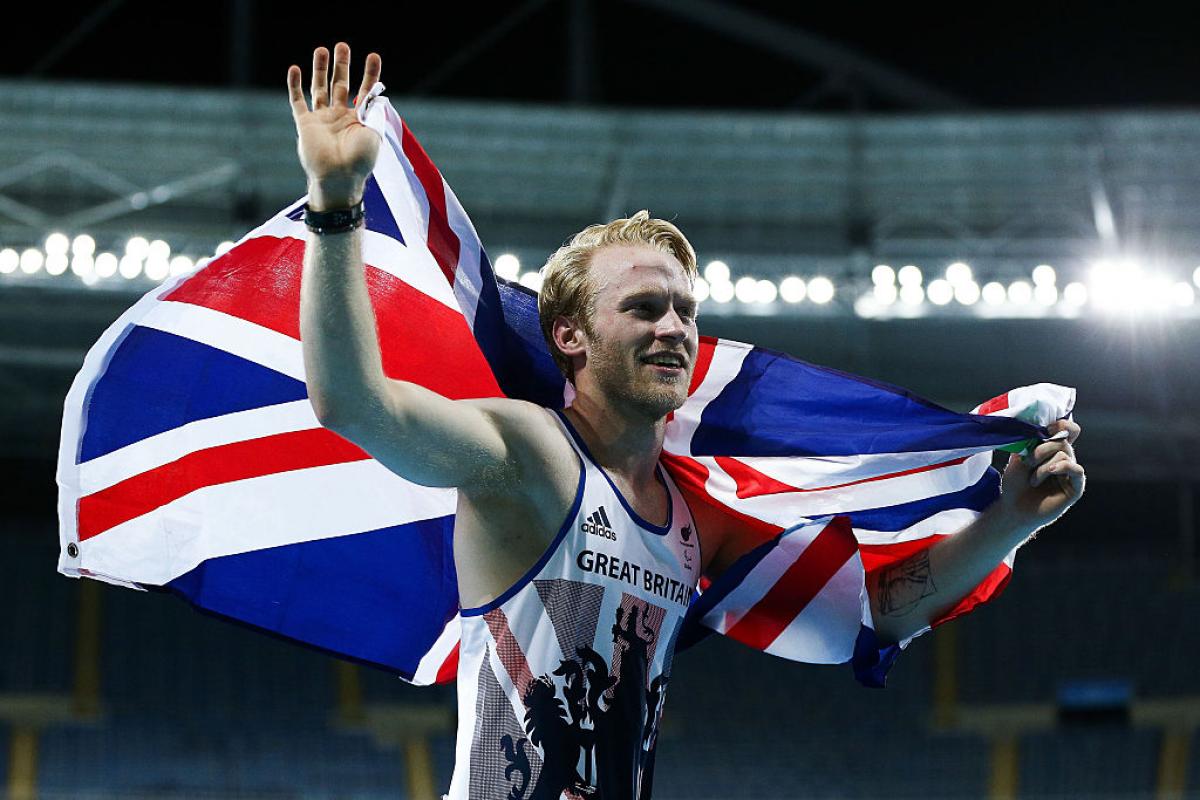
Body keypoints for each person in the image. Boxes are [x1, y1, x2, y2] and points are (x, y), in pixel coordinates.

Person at [288, 42, 1086, 799]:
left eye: (684, 310)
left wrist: (1013, 518)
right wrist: (335, 205)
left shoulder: (692, 519)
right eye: (643, 307)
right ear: (569, 336)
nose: (673, 327)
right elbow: (355, 403)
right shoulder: (530, 453)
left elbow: (879, 611)